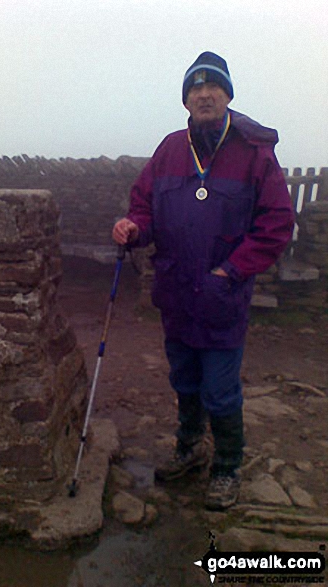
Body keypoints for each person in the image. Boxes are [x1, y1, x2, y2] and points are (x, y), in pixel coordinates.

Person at [112, 51, 294, 510]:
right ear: (186, 99)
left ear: (228, 95)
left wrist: (230, 271)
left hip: (221, 297)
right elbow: (144, 206)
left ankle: (228, 466)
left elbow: (276, 225)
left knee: (219, 387)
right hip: (176, 294)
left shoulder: (254, 153)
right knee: (184, 379)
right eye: (196, 88)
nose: (205, 94)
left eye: (215, 87)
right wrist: (134, 228)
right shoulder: (170, 149)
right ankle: (190, 449)